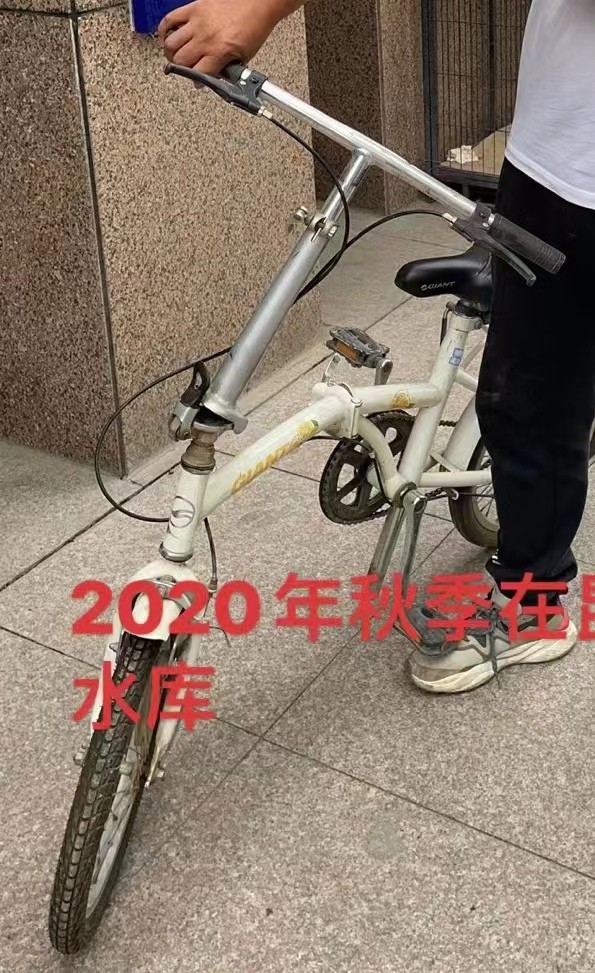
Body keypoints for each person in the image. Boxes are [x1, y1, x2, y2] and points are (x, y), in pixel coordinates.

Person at [158, 0, 595, 693]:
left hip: (579, 184)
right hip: (551, 161)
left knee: (534, 405)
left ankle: (533, 609)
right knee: (524, 392)